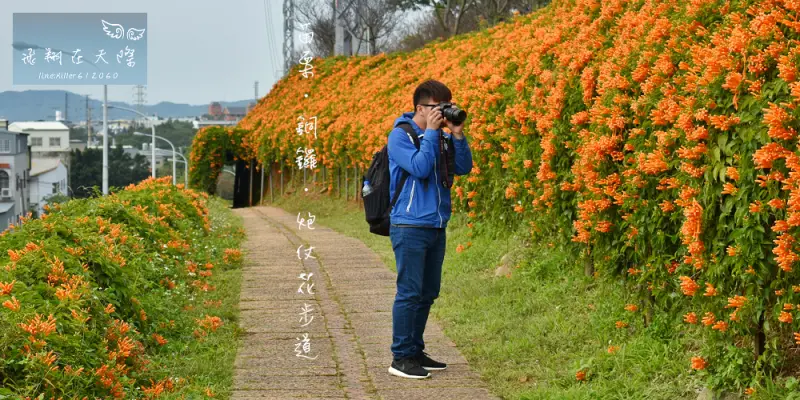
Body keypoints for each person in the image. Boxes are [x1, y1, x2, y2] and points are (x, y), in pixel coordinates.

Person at [385, 79, 474, 379]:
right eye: (439, 107)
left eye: (447, 105)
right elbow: (421, 169)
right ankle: (400, 357)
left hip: (436, 224)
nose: (444, 112)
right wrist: (433, 134)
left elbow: (462, 168)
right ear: (420, 108)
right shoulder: (400, 136)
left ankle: (414, 351)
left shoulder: (441, 136)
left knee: (427, 292)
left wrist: (457, 136)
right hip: (409, 225)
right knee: (409, 293)